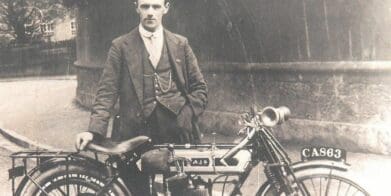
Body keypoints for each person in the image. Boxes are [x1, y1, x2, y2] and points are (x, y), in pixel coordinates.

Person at [75, 0, 208, 151]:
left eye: (156, 6)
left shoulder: (181, 44)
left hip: (176, 132)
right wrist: (93, 131)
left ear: (166, 8)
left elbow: (200, 88)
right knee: (131, 175)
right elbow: (106, 92)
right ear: (136, 8)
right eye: (145, 6)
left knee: (179, 175)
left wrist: (187, 114)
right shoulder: (120, 46)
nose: (150, 12)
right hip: (134, 134)